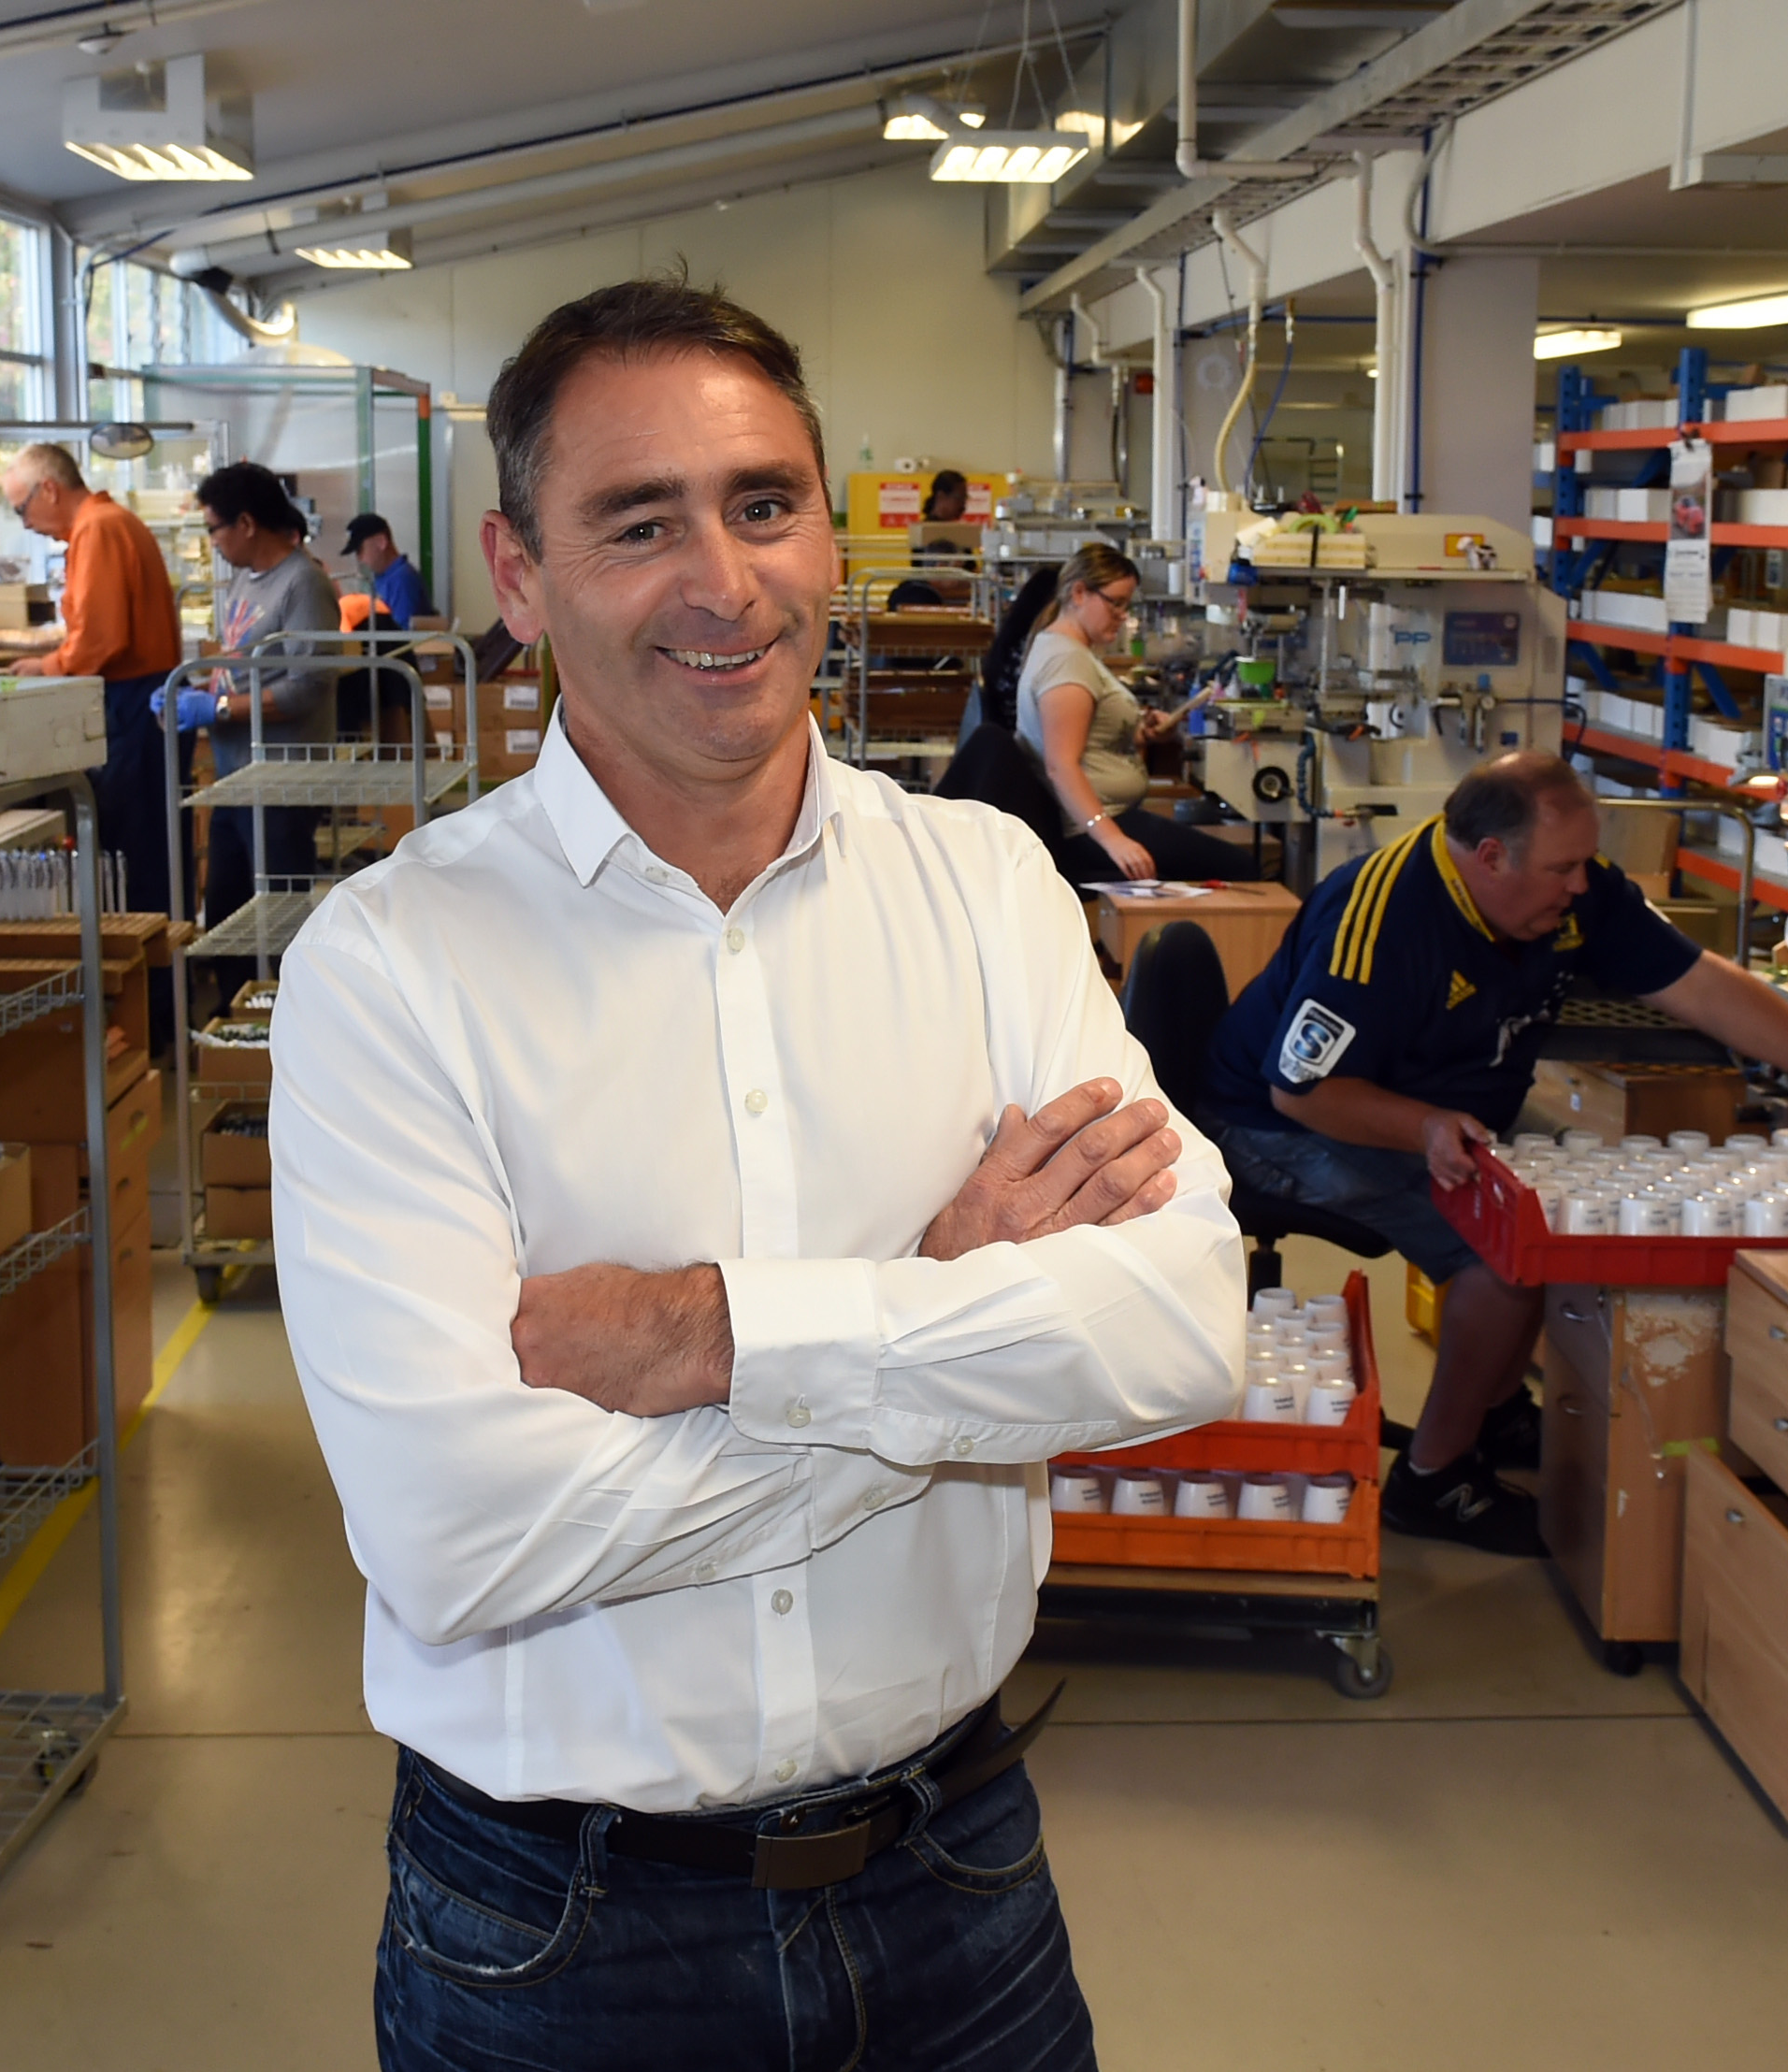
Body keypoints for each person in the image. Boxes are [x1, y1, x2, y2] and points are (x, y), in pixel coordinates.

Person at [272, 275, 1241, 2068]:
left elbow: (1184, 1328)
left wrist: (717, 1335)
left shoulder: (983, 888)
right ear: (519, 568)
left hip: (958, 1875)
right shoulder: (390, 967)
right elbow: (457, 1537)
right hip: (561, 1935)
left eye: (763, 505)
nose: (724, 583)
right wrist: (950, 1314)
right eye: (638, 524)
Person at [1205, 752, 1788, 1554]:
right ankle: (1432, 1480)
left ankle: (1495, 1408)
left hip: (1431, 1116)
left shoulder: (1572, 893)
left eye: (1584, 863)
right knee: (1500, 1262)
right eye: (1562, 868)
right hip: (1283, 1130)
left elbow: (1699, 984)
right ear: (1491, 857)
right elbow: (1301, 1089)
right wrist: (1429, 1127)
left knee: (1551, 1224)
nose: (1581, 885)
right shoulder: (1380, 920)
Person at [0, 440, 181, 914]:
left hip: (132, 707)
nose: (24, 523)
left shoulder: (99, 530)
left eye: (22, 508)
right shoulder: (105, 524)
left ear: (49, 490)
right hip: (136, 702)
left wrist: (47, 666)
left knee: (132, 853)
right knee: (144, 846)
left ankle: (151, 981)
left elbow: (101, 638)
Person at [1017, 542, 1251, 883]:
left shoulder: (1064, 650)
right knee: (1242, 869)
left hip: (1103, 818)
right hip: (1092, 828)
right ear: (1079, 593)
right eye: (1116, 603)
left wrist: (1140, 731)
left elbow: (1087, 736)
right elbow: (1061, 765)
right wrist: (1112, 839)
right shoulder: (1066, 661)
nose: (1123, 615)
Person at [180, 460, 341, 928]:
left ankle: (274, 1001)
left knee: (277, 922)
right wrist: (197, 690)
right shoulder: (243, 580)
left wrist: (221, 708)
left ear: (246, 524)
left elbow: (310, 683)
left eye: (214, 529)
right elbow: (245, 664)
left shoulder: (302, 583)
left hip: (281, 782)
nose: (212, 541)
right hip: (236, 775)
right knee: (228, 919)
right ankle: (234, 1001)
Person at [343, 510, 431, 625]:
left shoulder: (402, 580)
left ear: (381, 542)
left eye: (360, 550)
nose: (360, 559)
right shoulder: (383, 579)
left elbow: (399, 637)